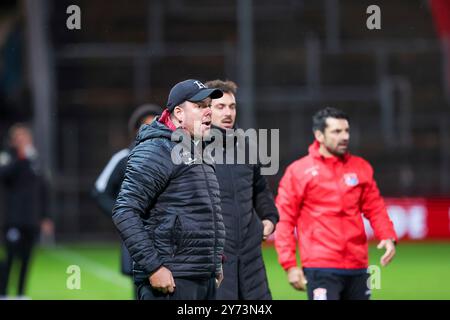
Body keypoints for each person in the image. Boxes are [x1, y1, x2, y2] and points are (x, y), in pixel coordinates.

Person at [112, 79, 225, 300]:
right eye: (200, 106)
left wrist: (215, 262)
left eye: (210, 105)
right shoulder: (156, 149)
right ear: (179, 113)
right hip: (172, 280)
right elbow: (125, 211)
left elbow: (201, 213)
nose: (209, 111)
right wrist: (154, 267)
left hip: (202, 277)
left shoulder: (200, 150)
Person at [275, 107, 397, 300]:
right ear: (319, 135)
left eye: (346, 131)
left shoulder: (361, 167)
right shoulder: (299, 171)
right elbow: (284, 220)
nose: (345, 136)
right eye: (337, 131)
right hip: (320, 266)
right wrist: (289, 264)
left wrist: (388, 235)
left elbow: (375, 207)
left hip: (358, 265)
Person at [205, 79, 279, 300]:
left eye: (232, 106)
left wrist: (269, 217)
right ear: (206, 110)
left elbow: (260, 188)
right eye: (220, 106)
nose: (228, 112)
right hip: (214, 257)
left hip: (250, 255)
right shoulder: (192, 148)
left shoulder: (248, 146)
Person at [92, 104, 162, 294]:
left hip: (167, 240)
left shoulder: (175, 158)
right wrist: (124, 216)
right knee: (141, 289)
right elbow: (99, 191)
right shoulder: (124, 158)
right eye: (146, 126)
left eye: (157, 124)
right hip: (137, 237)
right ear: (136, 130)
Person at [0, 123, 54, 298]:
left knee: (26, 258)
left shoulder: (35, 161)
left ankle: (21, 293)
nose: (23, 141)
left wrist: (46, 216)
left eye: (25, 137)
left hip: (31, 219)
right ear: (13, 141)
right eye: (19, 138)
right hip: (12, 218)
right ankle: (4, 292)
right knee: (9, 257)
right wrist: (20, 158)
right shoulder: (7, 157)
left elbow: (44, 189)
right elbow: (5, 175)